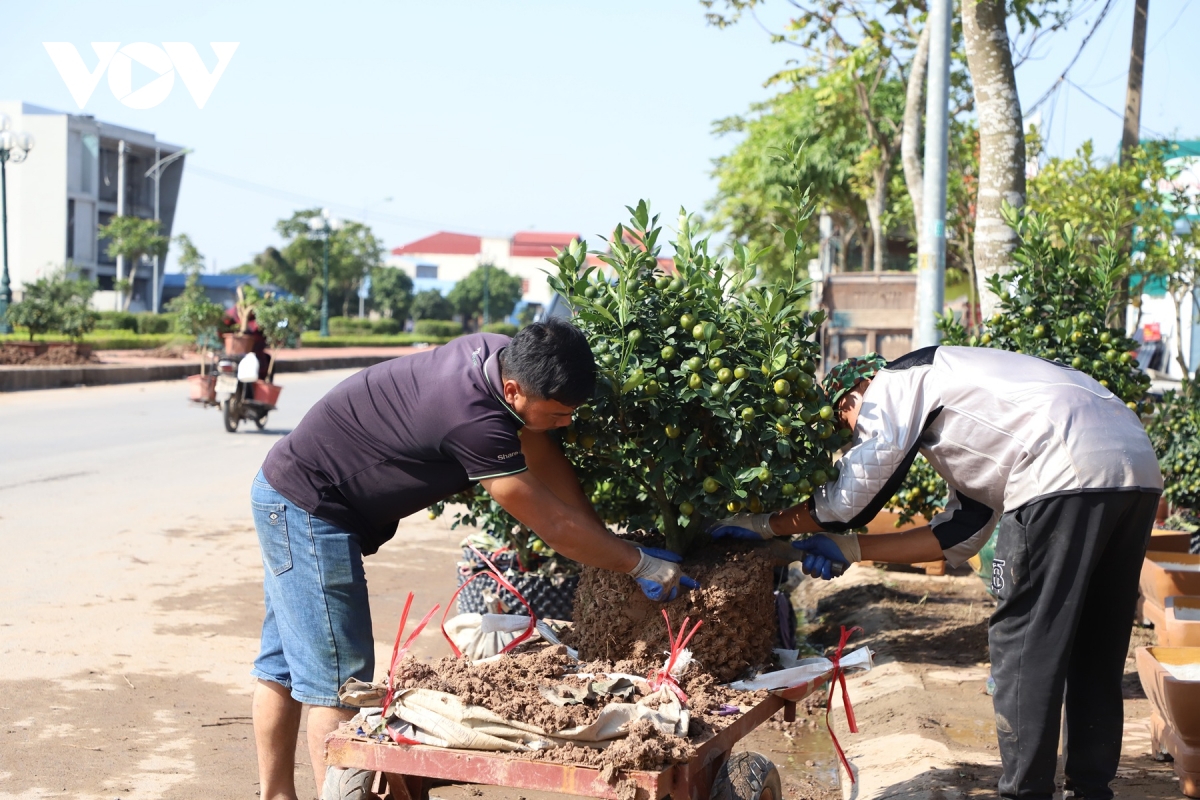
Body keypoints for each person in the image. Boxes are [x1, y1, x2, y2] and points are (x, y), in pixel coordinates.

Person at [249, 319, 696, 800]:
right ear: (513, 390)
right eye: (560, 413)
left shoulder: (506, 360)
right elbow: (555, 526)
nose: (568, 423)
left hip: (290, 494)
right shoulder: (474, 419)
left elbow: (548, 464)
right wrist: (639, 564)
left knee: (284, 665)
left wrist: (602, 540)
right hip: (308, 509)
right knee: (338, 683)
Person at [711, 346, 1162, 800]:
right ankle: (1090, 790)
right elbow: (959, 536)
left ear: (852, 395)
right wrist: (850, 548)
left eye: (843, 424)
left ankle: (1025, 794)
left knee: (1024, 643)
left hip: (1061, 466)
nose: (850, 438)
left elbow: (847, 501)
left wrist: (761, 526)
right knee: (1097, 643)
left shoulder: (894, 382)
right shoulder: (965, 409)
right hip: (1132, 463)